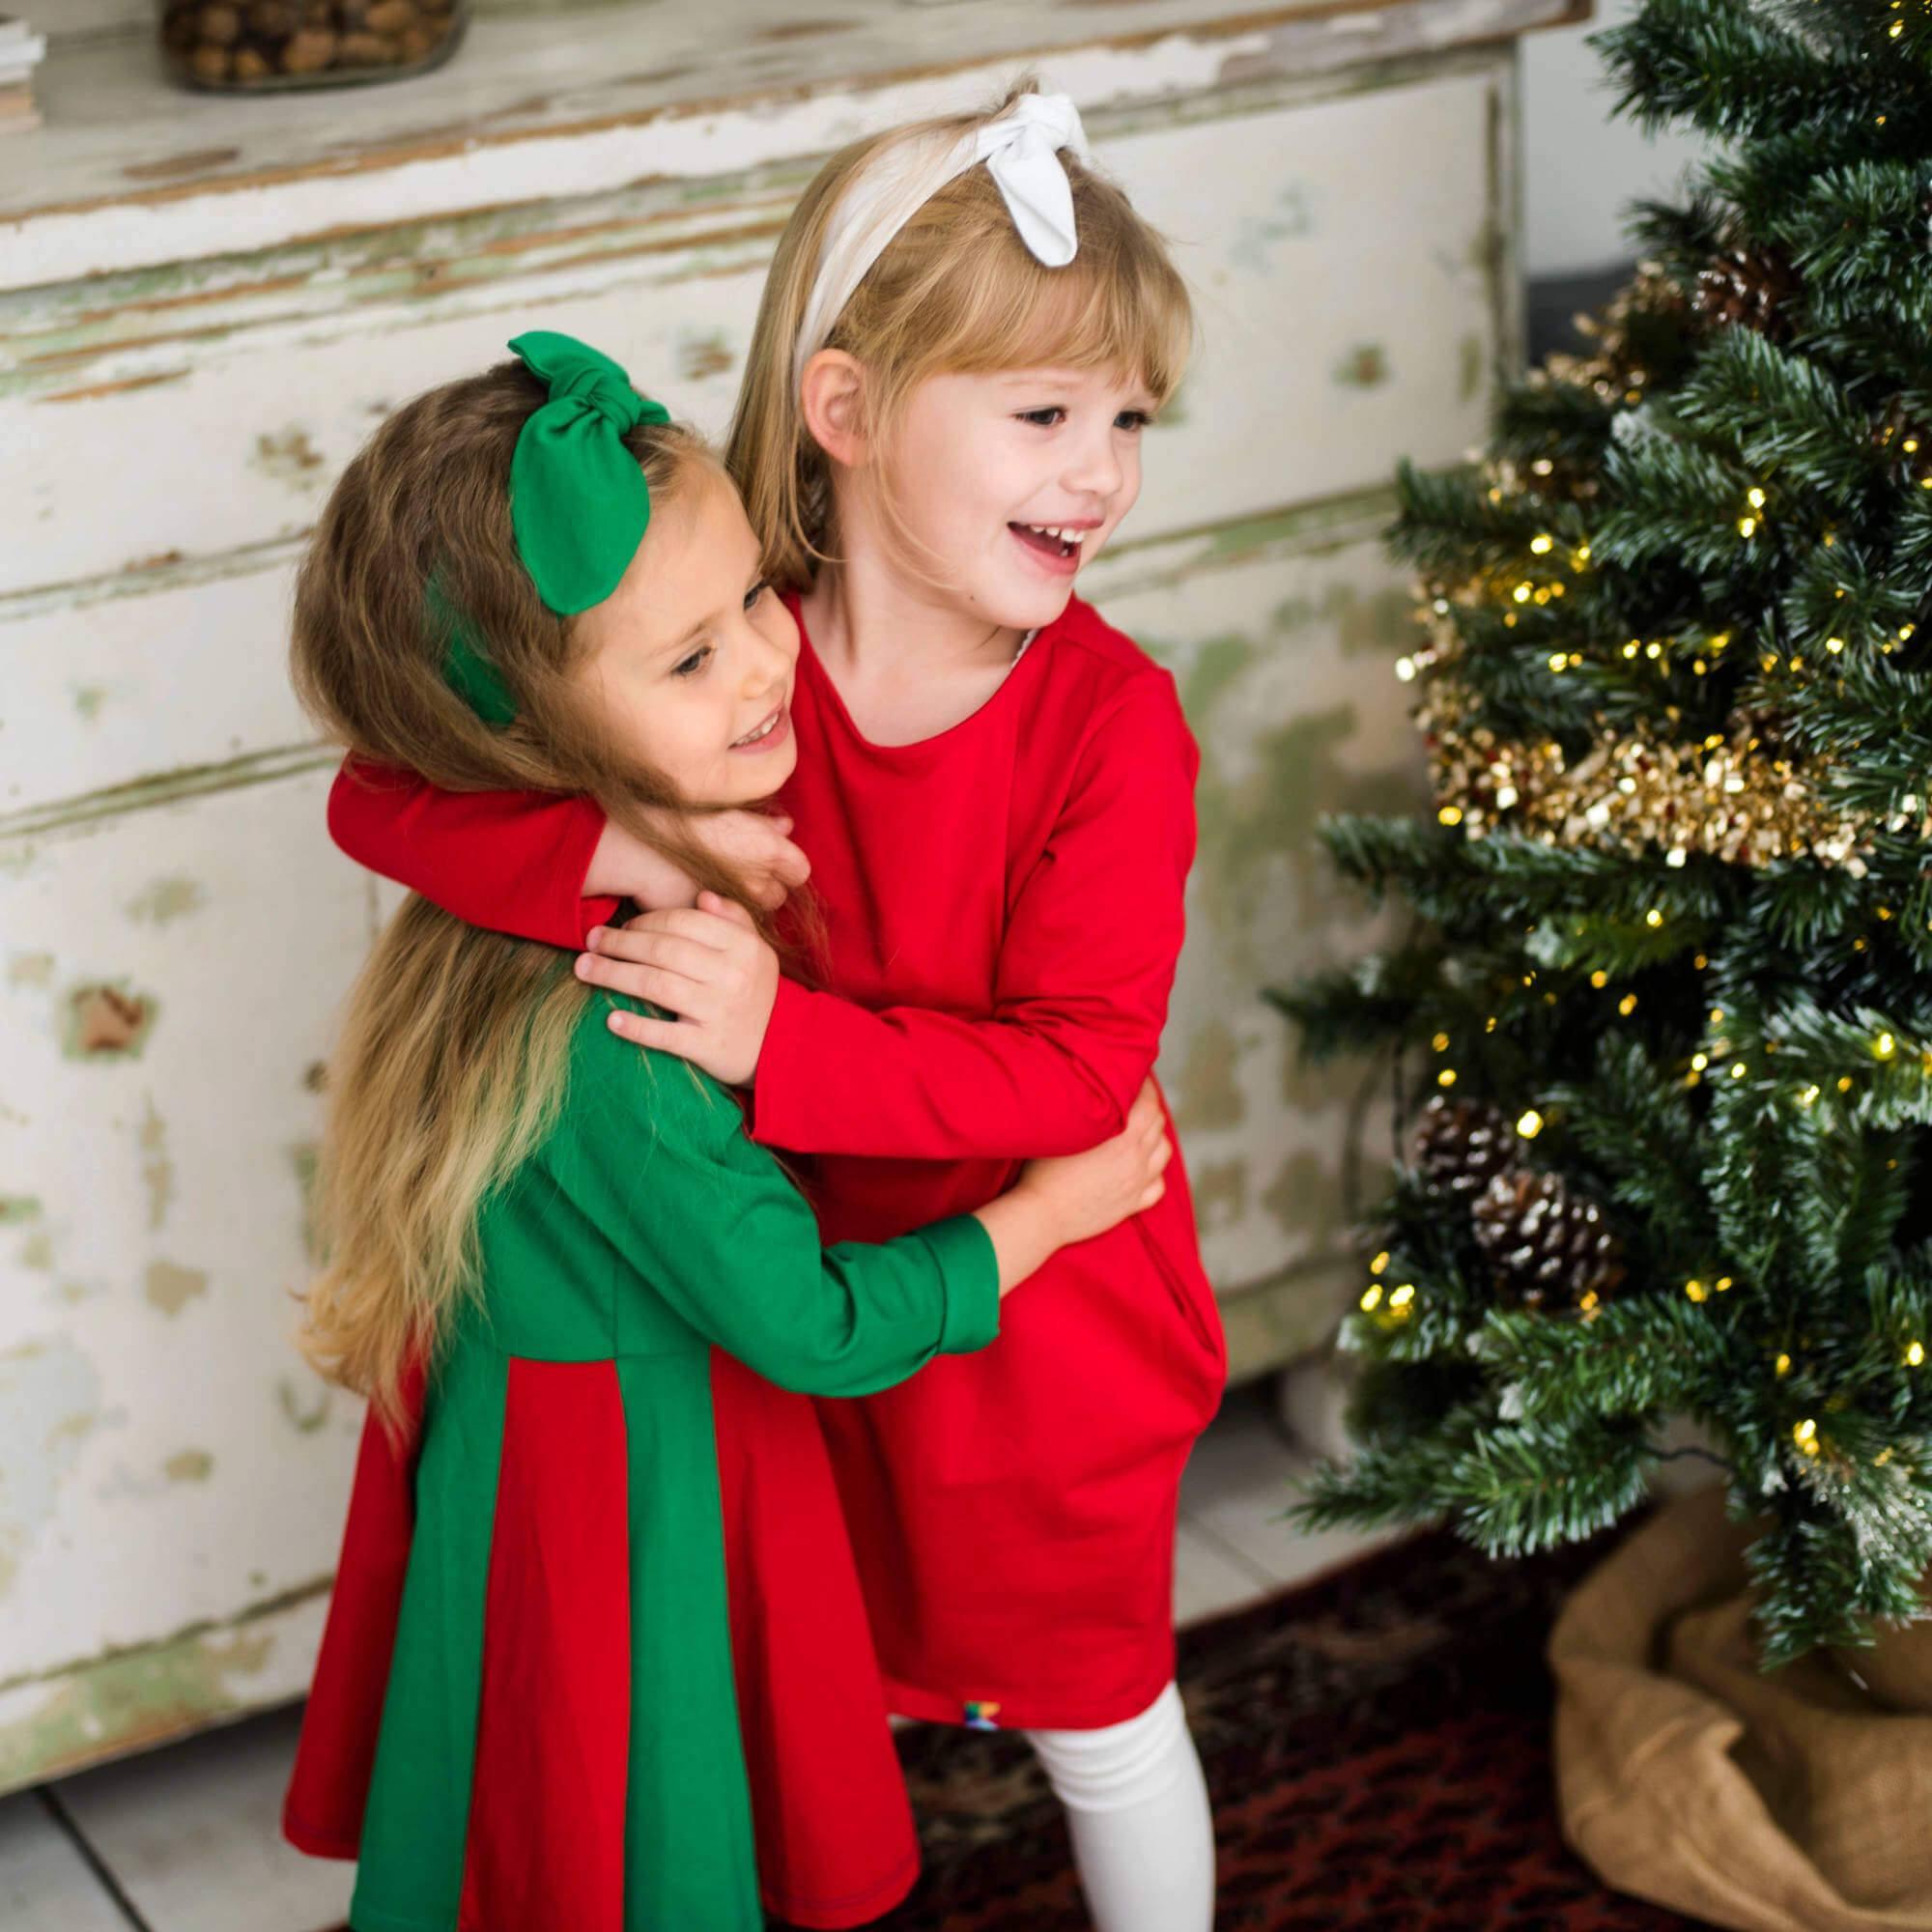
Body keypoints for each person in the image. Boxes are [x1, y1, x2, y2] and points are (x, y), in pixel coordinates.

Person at [280, 330, 1173, 1932]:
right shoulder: (622, 1022)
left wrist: (607, 835)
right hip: (659, 1461)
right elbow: (816, 1327)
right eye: (690, 658)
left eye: (756, 595)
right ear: (533, 740)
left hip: (666, 1426)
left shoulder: (671, 797)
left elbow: (385, 790)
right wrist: (1048, 1212)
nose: (766, 665)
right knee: (646, 1804)